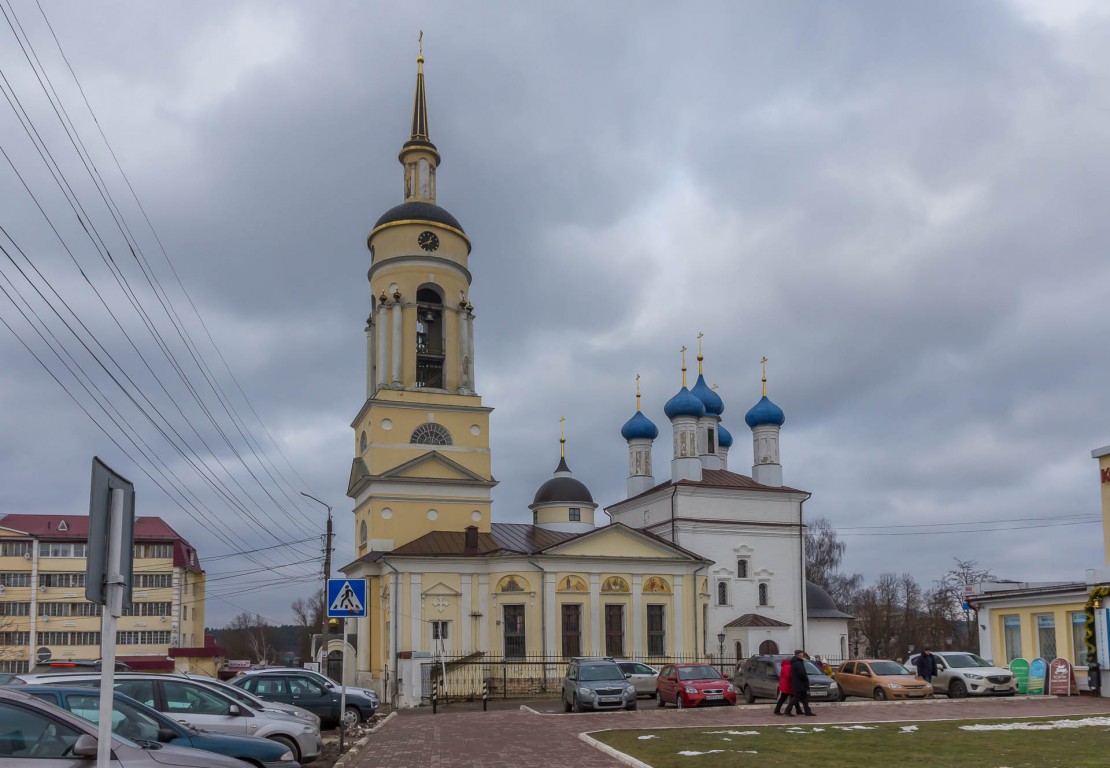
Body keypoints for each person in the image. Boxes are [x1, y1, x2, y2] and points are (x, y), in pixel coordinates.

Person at [789, 649, 816, 716]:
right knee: (796, 698)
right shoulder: (798, 663)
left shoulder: (796, 662)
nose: (803, 655)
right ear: (799, 655)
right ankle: (787, 710)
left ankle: (807, 711)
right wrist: (806, 679)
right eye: (802, 654)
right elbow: (802, 674)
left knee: (805, 699)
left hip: (799, 683)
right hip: (800, 684)